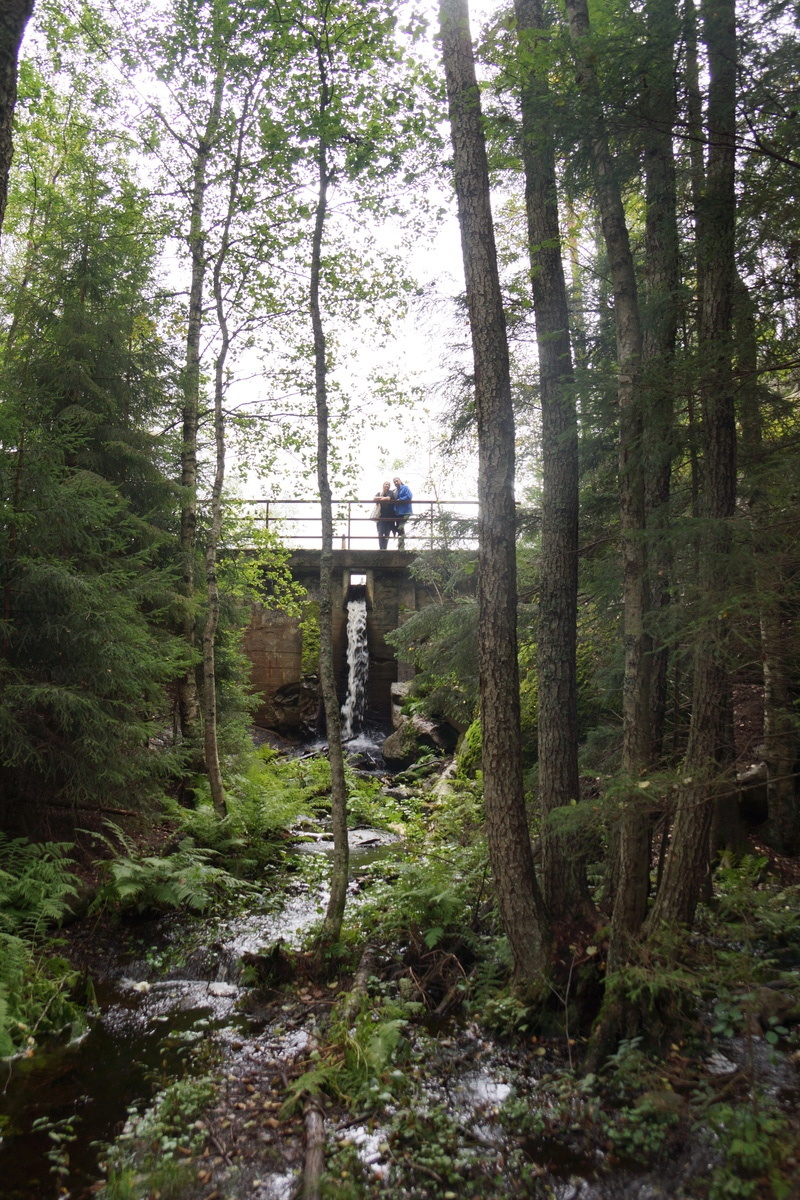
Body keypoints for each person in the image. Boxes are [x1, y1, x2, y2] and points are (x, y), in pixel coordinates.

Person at [373, 480, 396, 550]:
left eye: (388, 485)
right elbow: (374, 498)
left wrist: (380, 499)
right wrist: (383, 498)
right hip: (381, 516)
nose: (387, 486)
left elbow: (388, 498)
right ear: (383, 485)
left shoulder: (391, 492)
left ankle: (384, 548)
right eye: (386, 484)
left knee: (387, 533)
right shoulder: (379, 493)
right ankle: (381, 548)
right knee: (380, 532)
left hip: (389, 516)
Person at [393, 476, 413, 548]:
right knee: (398, 527)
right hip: (398, 512)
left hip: (405, 511)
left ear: (400, 481)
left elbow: (409, 496)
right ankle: (401, 544)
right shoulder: (395, 491)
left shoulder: (405, 488)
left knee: (400, 527)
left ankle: (401, 545)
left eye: (397, 481)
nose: (396, 482)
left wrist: (400, 499)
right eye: (394, 482)